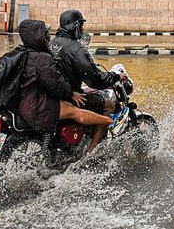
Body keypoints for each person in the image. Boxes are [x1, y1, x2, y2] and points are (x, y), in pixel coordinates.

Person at [16, 19, 113, 151]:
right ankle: (93, 148)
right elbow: (55, 82)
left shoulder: (21, 53)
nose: (47, 38)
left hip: (23, 102)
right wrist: (72, 94)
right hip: (36, 104)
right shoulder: (42, 58)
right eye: (45, 36)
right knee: (76, 110)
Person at [50, 9, 127, 151]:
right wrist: (115, 76)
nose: (83, 28)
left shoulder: (52, 43)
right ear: (75, 26)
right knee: (108, 104)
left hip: (54, 94)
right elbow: (95, 80)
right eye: (81, 25)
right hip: (70, 96)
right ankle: (92, 151)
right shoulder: (76, 49)